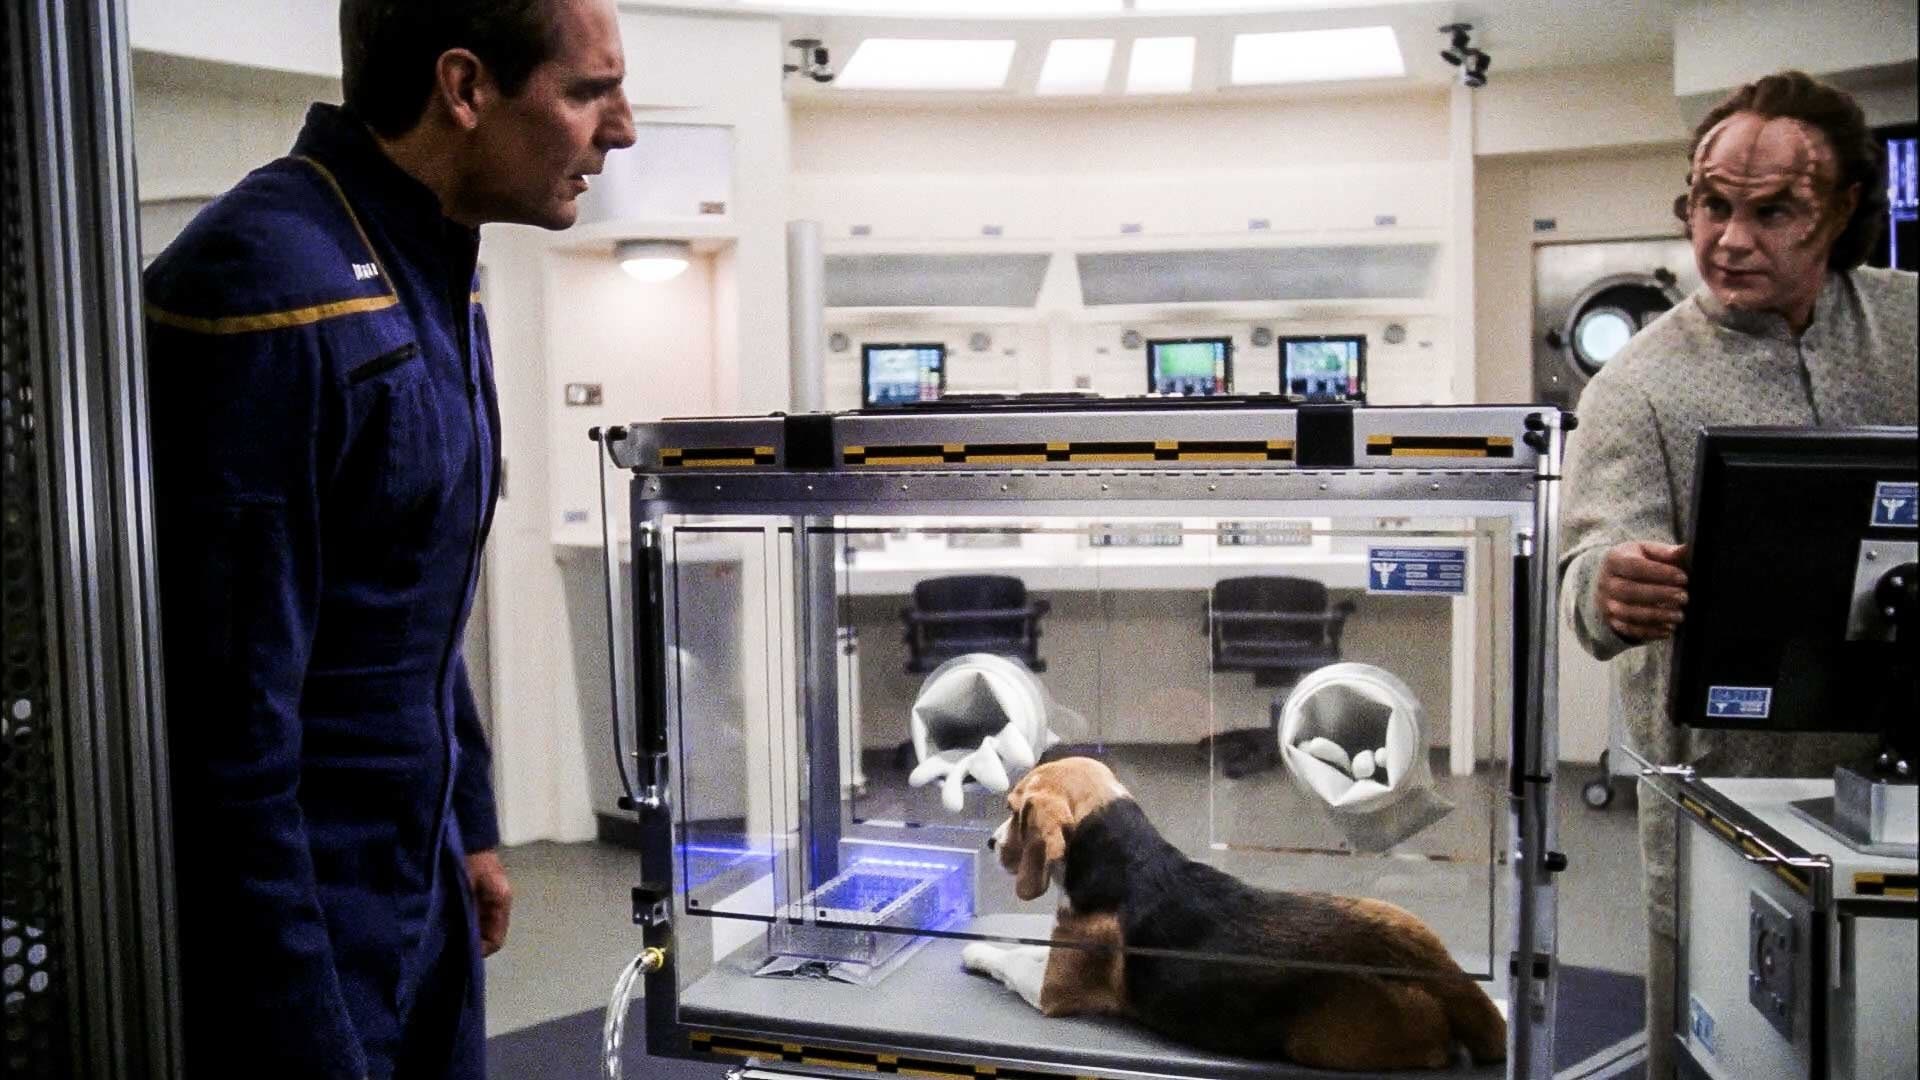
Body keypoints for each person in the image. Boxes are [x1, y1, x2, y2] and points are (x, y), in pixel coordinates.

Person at [144, 1, 634, 1076]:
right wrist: (300, 1026)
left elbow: (415, 588)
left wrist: (470, 824)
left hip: (419, 878)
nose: (623, 129)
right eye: (588, 92)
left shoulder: (430, 259)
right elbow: (224, 736)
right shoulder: (267, 285)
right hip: (306, 922)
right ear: (463, 89)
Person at [1557, 70, 1917, 1080]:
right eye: (1711, 205)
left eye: (1773, 212)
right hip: (1724, 798)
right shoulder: (1638, 385)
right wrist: (1607, 585)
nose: (1730, 239)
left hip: (1898, 773)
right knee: (1719, 1043)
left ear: (1842, 209)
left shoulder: (1910, 332)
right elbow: (1588, 569)